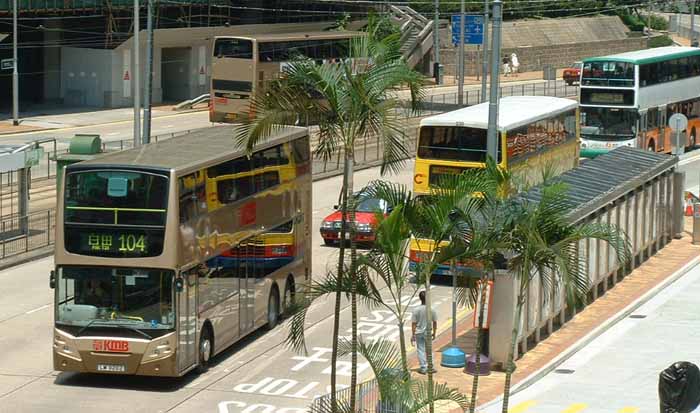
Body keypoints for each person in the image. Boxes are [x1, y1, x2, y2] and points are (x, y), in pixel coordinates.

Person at [411, 290, 438, 374]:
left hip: (419, 333)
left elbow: (414, 324)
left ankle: (423, 368)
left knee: (421, 350)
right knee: (429, 350)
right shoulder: (432, 309)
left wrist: (413, 334)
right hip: (428, 332)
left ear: (420, 299)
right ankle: (431, 367)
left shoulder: (416, 310)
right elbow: (435, 322)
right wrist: (434, 332)